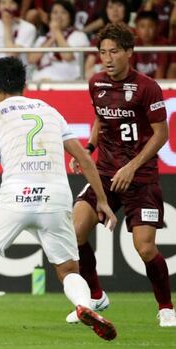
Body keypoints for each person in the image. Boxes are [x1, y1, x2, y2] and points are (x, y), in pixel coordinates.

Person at [0, 56, 118, 343]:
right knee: (67, 269)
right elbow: (83, 158)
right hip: (55, 195)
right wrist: (102, 200)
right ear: (24, 84)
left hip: (17, 196)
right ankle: (82, 304)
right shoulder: (50, 110)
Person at [67, 23, 176, 327]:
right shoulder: (96, 83)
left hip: (140, 177)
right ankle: (96, 295)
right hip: (105, 173)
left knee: (145, 248)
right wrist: (89, 147)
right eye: (102, 52)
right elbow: (100, 118)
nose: (108, 57)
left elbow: (161, 134)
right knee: (74, 232)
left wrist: (132, 166)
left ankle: (166, 306)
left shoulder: (147, 86)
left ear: (129, 52)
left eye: (114, 51)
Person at [27, 0, 89, 82]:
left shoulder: (79, 35)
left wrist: (57, 31)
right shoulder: (43, 39)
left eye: (63, 12)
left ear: (71, 17)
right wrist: (52, 39)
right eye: (55, 12)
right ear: (50, 16)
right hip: (40, 80)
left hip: (67, 82)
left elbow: (67, 57)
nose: (58, 16)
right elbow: (31, 59)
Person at [0, 0, 36, 80]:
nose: (7, 6)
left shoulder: (28, 28)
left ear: (18, 6)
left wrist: (7, 26)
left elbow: (11, 54)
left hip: (19, 80)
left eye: (12, 2)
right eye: (3, 2)